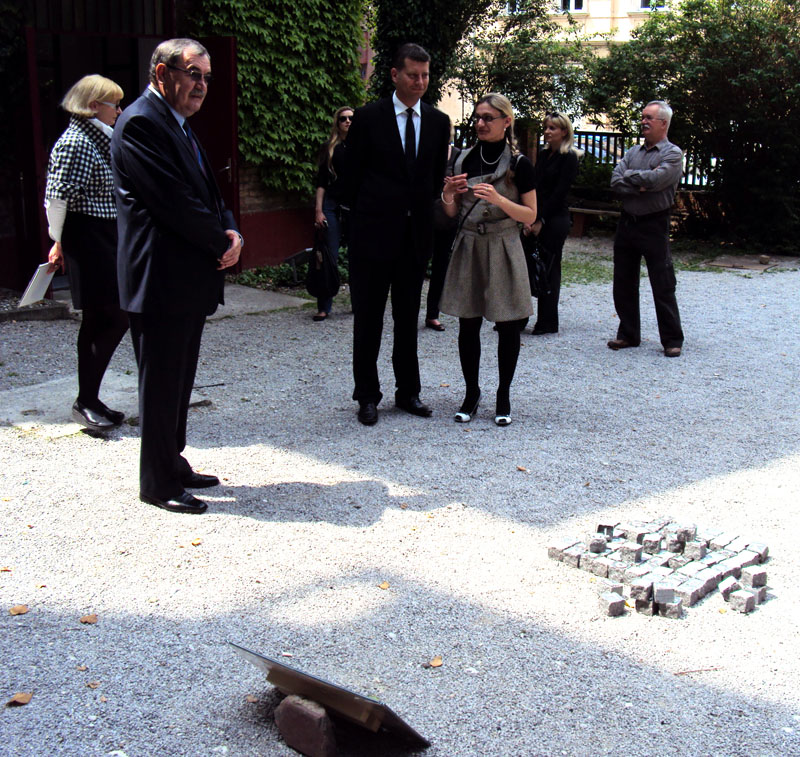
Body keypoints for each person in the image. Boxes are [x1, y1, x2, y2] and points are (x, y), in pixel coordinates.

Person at [111, 38, 242, 514]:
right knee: (161, 383)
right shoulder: (142, 122)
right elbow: (173, 202)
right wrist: (220, 242)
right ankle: (156, 481)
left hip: (187, 279)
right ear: (163, 73)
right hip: (161, 280)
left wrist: (232, 229)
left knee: (180, 380)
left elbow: (208, 191)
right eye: (193, 74)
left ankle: (173, 460)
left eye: (206, 77)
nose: (201, 85)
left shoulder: (178, 123)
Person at [345, 42, 450, 426]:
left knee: (407, 319)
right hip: (372, 236)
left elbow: (434, 180)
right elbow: (351, 178)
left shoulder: (438, 122)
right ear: (394, 75)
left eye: (425, 75)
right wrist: (368, 218)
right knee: (368, 319)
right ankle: (367, 395)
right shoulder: (367, 118)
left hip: (414, 238)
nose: (420, 82)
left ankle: (408, 392)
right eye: (412, 75)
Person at [439, 93, 537, 426]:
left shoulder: (520, 164)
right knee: (468, 322)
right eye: (477, 118)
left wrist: (499, 199)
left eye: (488, 118)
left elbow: (530, 215)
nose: (480, 124)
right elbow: (452, 213)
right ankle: (471, 392)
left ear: (506, 121)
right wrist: (448, 195)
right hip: (469, 245)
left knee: (508, 324)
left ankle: (503, 394)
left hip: (504, 245)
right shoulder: (463, 159)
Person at [44, 75, 129, 432]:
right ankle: (86, 400)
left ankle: (90, 398)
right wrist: (57, 239)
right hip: (89, 237)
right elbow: (57, 198)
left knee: (100, 317)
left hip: (105, 234)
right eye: (114, 104)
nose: (119, 111)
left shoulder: (97, 138)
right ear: (94, 106)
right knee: (113, 314)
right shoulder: (76, 142)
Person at [608, 100, 684, 358]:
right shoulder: (633, 152)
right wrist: (640, 182)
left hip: (654, 223)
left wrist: (631, 176)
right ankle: (628, 334)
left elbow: (658, 179)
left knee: (662, 283)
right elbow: (615, 181)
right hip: (627, 222)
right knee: (623, 281)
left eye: (649, 117)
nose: (643, 121)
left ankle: (672, 339)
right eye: (642, 117)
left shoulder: (672, 154)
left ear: (663, 123)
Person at [528, 111, 580, 335]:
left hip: (555, 218)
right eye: (546, 127)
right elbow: (535, 187)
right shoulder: (543, 154)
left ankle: (547, 321)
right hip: (536, 214)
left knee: (549, 268)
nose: (547, 132)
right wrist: (530, 216)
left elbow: (560, 192)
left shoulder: (569, 157)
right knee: (528, 264)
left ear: (564, 131)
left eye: (552, 128)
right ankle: (518, 318)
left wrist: (541, 218)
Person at [312, 105, 353, 321]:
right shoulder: (329, 148)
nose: (347, 122)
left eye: (351, 118)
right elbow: (321, 182)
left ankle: (358, 303)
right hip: (332, 204)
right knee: (329, 255)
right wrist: (318, 211)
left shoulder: (362, 146)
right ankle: (324, 306)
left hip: (355, 206)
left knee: (358, 257)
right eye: (343, 118)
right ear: (337, 122)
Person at [424, 134, 460, 332]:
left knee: (441, 267)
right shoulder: (425, 153)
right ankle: (408, 311)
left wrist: (454, 185)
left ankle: (433, 314)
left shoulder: (457, 156)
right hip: (425, 218)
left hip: (448, 218)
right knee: (417, 264)